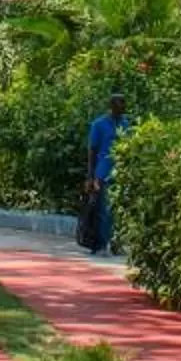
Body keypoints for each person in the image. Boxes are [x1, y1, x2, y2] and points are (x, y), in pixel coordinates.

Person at [79, 93, 128, 255]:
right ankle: (102, 244)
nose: (123, 108)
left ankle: (116, 243)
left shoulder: (125, 123)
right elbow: (92, 151)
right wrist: (90, 177)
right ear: (112, 105)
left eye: (124, 104)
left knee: (118, 211)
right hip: (103, 173)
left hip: (121, 173)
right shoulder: (98, 124)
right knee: (103, 210)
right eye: (119, 104)